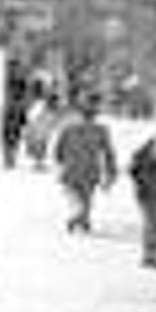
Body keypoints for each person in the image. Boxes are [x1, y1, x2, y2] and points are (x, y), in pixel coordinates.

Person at [53, 99, 120, 233]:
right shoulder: (101, 130)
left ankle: (80, 218)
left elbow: (58, 150)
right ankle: (81, 218)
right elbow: (108, 152)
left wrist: (61, 162)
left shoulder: (68, 128)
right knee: (86, 197)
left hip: (71, 169)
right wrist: (111, 171)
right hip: (90, 171)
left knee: (75, 196)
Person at [131, 124, 156, 269]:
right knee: (154, 224)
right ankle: (149, 257)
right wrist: (146, 181)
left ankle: (151, 256)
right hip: (150, 190)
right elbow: (137, 165)